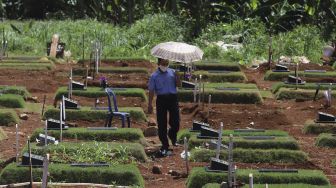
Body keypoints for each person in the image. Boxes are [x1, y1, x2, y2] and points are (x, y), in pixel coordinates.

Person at [148, 58, 180, 157]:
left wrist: (178, 77)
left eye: (167, 62)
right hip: (161, 99)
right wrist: (149, 104)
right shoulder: (154, 76)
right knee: (162, 123)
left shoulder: (173, 73)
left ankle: (172, 136)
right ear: (159, 63)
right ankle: (165, 144)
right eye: (163, 62)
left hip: (173, 98)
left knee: (176, 121)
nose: (165, 64)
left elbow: (178, 85)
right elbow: (151, 91)